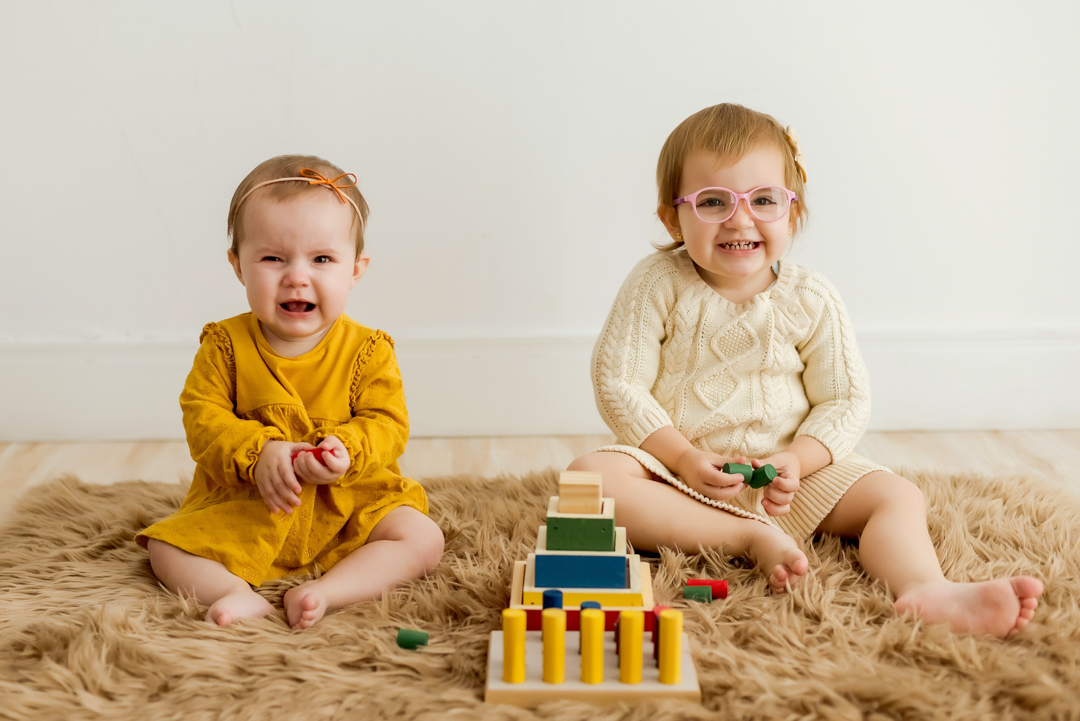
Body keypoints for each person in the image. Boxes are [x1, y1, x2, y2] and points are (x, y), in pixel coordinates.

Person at [567, 104, 1042, 638]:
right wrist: (682, 455)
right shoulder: (658, 283)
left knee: (897, 496)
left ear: (792, 214)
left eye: (763, 201)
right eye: (713, 202)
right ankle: (744, 537)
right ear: (672, 218)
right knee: (590, 478)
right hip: (678, 479)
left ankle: (924, 587)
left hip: (792, 480)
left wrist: (798, 459)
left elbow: (843, 400)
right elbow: (619, 381)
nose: (739, 219)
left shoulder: (810, 297)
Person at [138, 155, 444, 629]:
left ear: (355, 270)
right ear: (238, 265)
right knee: (164, 547)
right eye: (273, 258)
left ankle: (327, 590)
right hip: (252, 502)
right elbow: (204, 420)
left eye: (322, 259)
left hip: (348, 501)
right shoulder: (224, 346)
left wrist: (348, 449)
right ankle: (235, 593)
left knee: (422, 537)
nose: (297, 276)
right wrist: (258, 453)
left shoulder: (368, 350)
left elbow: (388, 424)